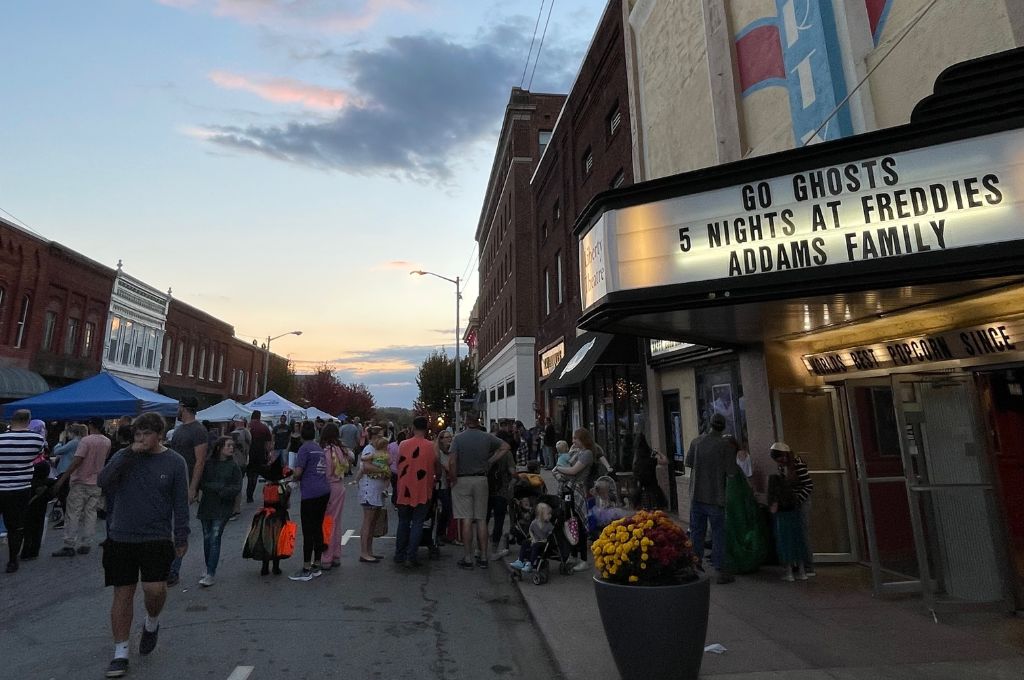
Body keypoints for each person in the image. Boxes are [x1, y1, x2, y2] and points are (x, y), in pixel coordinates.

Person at [98, 412, 189, 678]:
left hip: (156, 537)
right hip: (121, 535)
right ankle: (121, 652)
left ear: (159, 435)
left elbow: (180, 502)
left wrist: (181, 536)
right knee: (123, 594)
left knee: (154, 590)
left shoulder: (174, 462)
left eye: (147, 434)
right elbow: (103, 481)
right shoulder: (124, 457)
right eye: (138, 434)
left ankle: (152, 622)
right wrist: (128, 453)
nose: (141, 439)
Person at [684, 412, 741, 584]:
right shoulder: (725, 446)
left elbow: (688, 462)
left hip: (697, 495)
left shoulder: (696, 442)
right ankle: (720, 570)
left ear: (709, 424)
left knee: (696, 533)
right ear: (723, 427)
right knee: (718, 534)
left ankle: (695, 565)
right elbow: (732, 472)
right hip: (716, 497)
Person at [450, 412, 509, 569]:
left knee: (467, 519)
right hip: (481, 479)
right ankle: (483, 557)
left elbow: (452, 461)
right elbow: (505, 446)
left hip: (463, 479)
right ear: (478, 421)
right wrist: (490, 461)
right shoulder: (487, 437)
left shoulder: (458, 439)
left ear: (465, 421)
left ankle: (468, 557)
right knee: (482, 519)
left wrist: (453, 478)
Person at [51, 417, 111, 557]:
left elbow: (77, 460)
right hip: (96, 481)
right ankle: (86, 542)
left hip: (80, 481)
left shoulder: (86, 441)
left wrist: (63, 479)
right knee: (90, 513)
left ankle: (69, 543)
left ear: (91, 425)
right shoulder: (107, 441)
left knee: (73, 513)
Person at [167, 397, 208, 586]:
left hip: (184, 486)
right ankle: (166, 565)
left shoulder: (198, 430)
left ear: (183, 408)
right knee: (166, 526)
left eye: (178, 406)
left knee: (178, 527)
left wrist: (192, 487)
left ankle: (173, 570)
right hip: (170, 483)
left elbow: (200, 461)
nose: (177, 409)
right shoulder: (179, 429)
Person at [0, 409, 46, 573]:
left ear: (12, 420)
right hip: (21, 488)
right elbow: (37, 458)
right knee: (16, 526)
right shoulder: (37, 439)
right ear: (28, 420)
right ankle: (13, 561)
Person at [196, 436, 242, 587]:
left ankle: (211, 572)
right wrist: (217, 487)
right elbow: (202, 482)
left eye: (232, 446)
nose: (231, 448)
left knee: (215, 537)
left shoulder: (233, 466)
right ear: (219, 447)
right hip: (207, 505)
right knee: (207, 537)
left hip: (223, 507)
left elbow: (237, 486)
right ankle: (208, 566)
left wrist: (223, 491)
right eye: (228, 445)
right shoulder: (208, 464)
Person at [553, 428, 599, 573]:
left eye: (575, 438)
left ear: (582, 439)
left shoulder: (587, 453)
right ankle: (573, 555)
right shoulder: (578, 451)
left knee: (578, 524)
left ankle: (583, 560)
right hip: (569, 490)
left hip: (577, 490)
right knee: (569, 522)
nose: (573, 441)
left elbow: (573, 470)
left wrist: (558, 469)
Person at [394, 416, 438, 568]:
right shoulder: (432, 446)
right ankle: (411, 556)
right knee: (418, 522)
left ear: (413, 427)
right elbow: (437, 466)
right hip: (422, 488)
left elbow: (398, 463)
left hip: (405, 487)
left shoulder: (403, 444)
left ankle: (399, 553)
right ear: (426, 428)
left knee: (403, 521)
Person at [289, 421, 329, 581]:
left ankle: (306, 567)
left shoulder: (304, 449)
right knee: (318, 528)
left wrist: (291, 477)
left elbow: (298, 472)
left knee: (308, 530)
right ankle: (317, 563)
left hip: (310, 492)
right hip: (323, 491)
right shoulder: (318, 448)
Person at [768, 442, 814, 579]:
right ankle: (800, 566)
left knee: (803, 533)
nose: (779, 462)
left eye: (779, 459)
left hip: (801, 502)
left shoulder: (798, 465)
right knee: (797, 533)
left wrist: (797, 500)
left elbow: (808, 485)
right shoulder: (784, 466)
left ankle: (808, 566)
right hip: (791, 503)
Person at [319, 422, 352, 571]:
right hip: (339, 486)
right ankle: (336, 555)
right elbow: (350, 457)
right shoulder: (340, 450)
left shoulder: (325, 451)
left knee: (327, 522)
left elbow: (325, 472)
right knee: (336, 522)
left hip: (329, 487)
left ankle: (326, 557)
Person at [357, 435, 391, 563]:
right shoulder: (369, 449)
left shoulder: (380, 451)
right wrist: (383, 469)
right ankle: (364, 552)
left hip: (377, 490)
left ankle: (369, 550)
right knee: (368, 521)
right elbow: (365, 467)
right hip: (369, 490)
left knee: (373, 522)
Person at [509, 501, 553, 573]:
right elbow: (530, 530)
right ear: (541, 515)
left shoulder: (549, 525)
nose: (550, 516)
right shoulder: (534, 522)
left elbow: (551, 534)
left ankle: (530, 564)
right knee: (525, 542)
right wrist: (532, 538)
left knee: (535, 545)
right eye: (548, 514)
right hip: (535, 539)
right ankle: (520, 561)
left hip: (543, 542)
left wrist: (547, 538)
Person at [631, 433, 668, 510]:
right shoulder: (651, 460)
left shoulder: (637, 461)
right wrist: (658, 453)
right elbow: (665, 461)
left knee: (643, 513)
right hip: (653, 489)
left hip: (642, 490)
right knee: (656, 512)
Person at [246, 411, 272, 503]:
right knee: (256, 474)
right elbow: (268, 443)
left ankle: (248, 494)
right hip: (260, 454)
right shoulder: (264, 427)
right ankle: (251, 495)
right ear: (259, 417)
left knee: (250, 474)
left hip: (248, 454)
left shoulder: (247, 426)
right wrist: (268, 454)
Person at [434, 430, 454, 545]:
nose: (449, 439)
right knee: (445, 508)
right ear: (441, 440)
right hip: (441, 484)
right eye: (447, 437)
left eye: (450, 437)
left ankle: (443, 533)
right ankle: (439, 533)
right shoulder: (439, 453)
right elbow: (447, 467)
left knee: (448, 509)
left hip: (449, 484)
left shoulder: (450, 452)